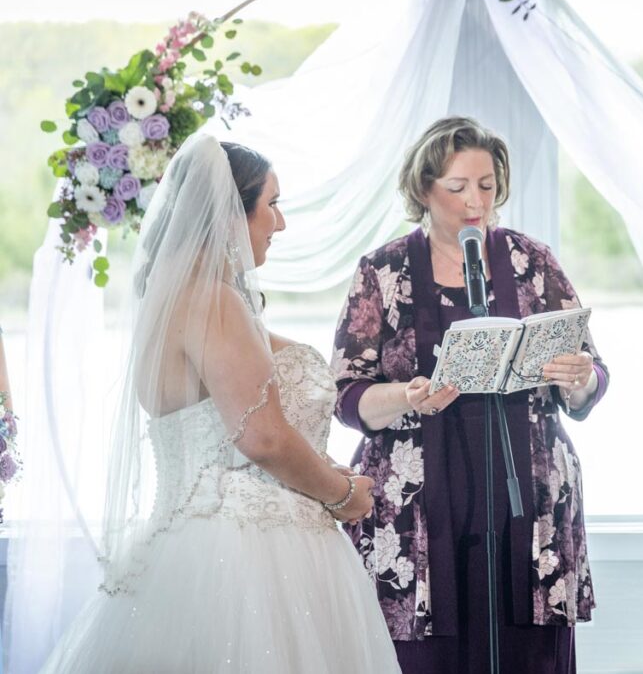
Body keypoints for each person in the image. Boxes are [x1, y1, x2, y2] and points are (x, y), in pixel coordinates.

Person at [41, 134, 400, 673]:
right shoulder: (212, 300)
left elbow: (229, 429)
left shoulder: (175, 299)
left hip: (190, 544)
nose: (280, 223)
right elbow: (262, 438)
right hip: (249, 553)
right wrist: (341, 492)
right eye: (272, 204)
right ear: (232, 213)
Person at [332, 116, 609, 673]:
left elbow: (592, 371)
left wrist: (580, 380)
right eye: (457, 187)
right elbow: (346, 394)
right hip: (417, 504)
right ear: (423, 189)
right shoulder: (382, 270)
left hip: (527, 495)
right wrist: (406, 396)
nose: (475, 202)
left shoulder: (532, 261)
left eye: (486, 185)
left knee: (527, 658)